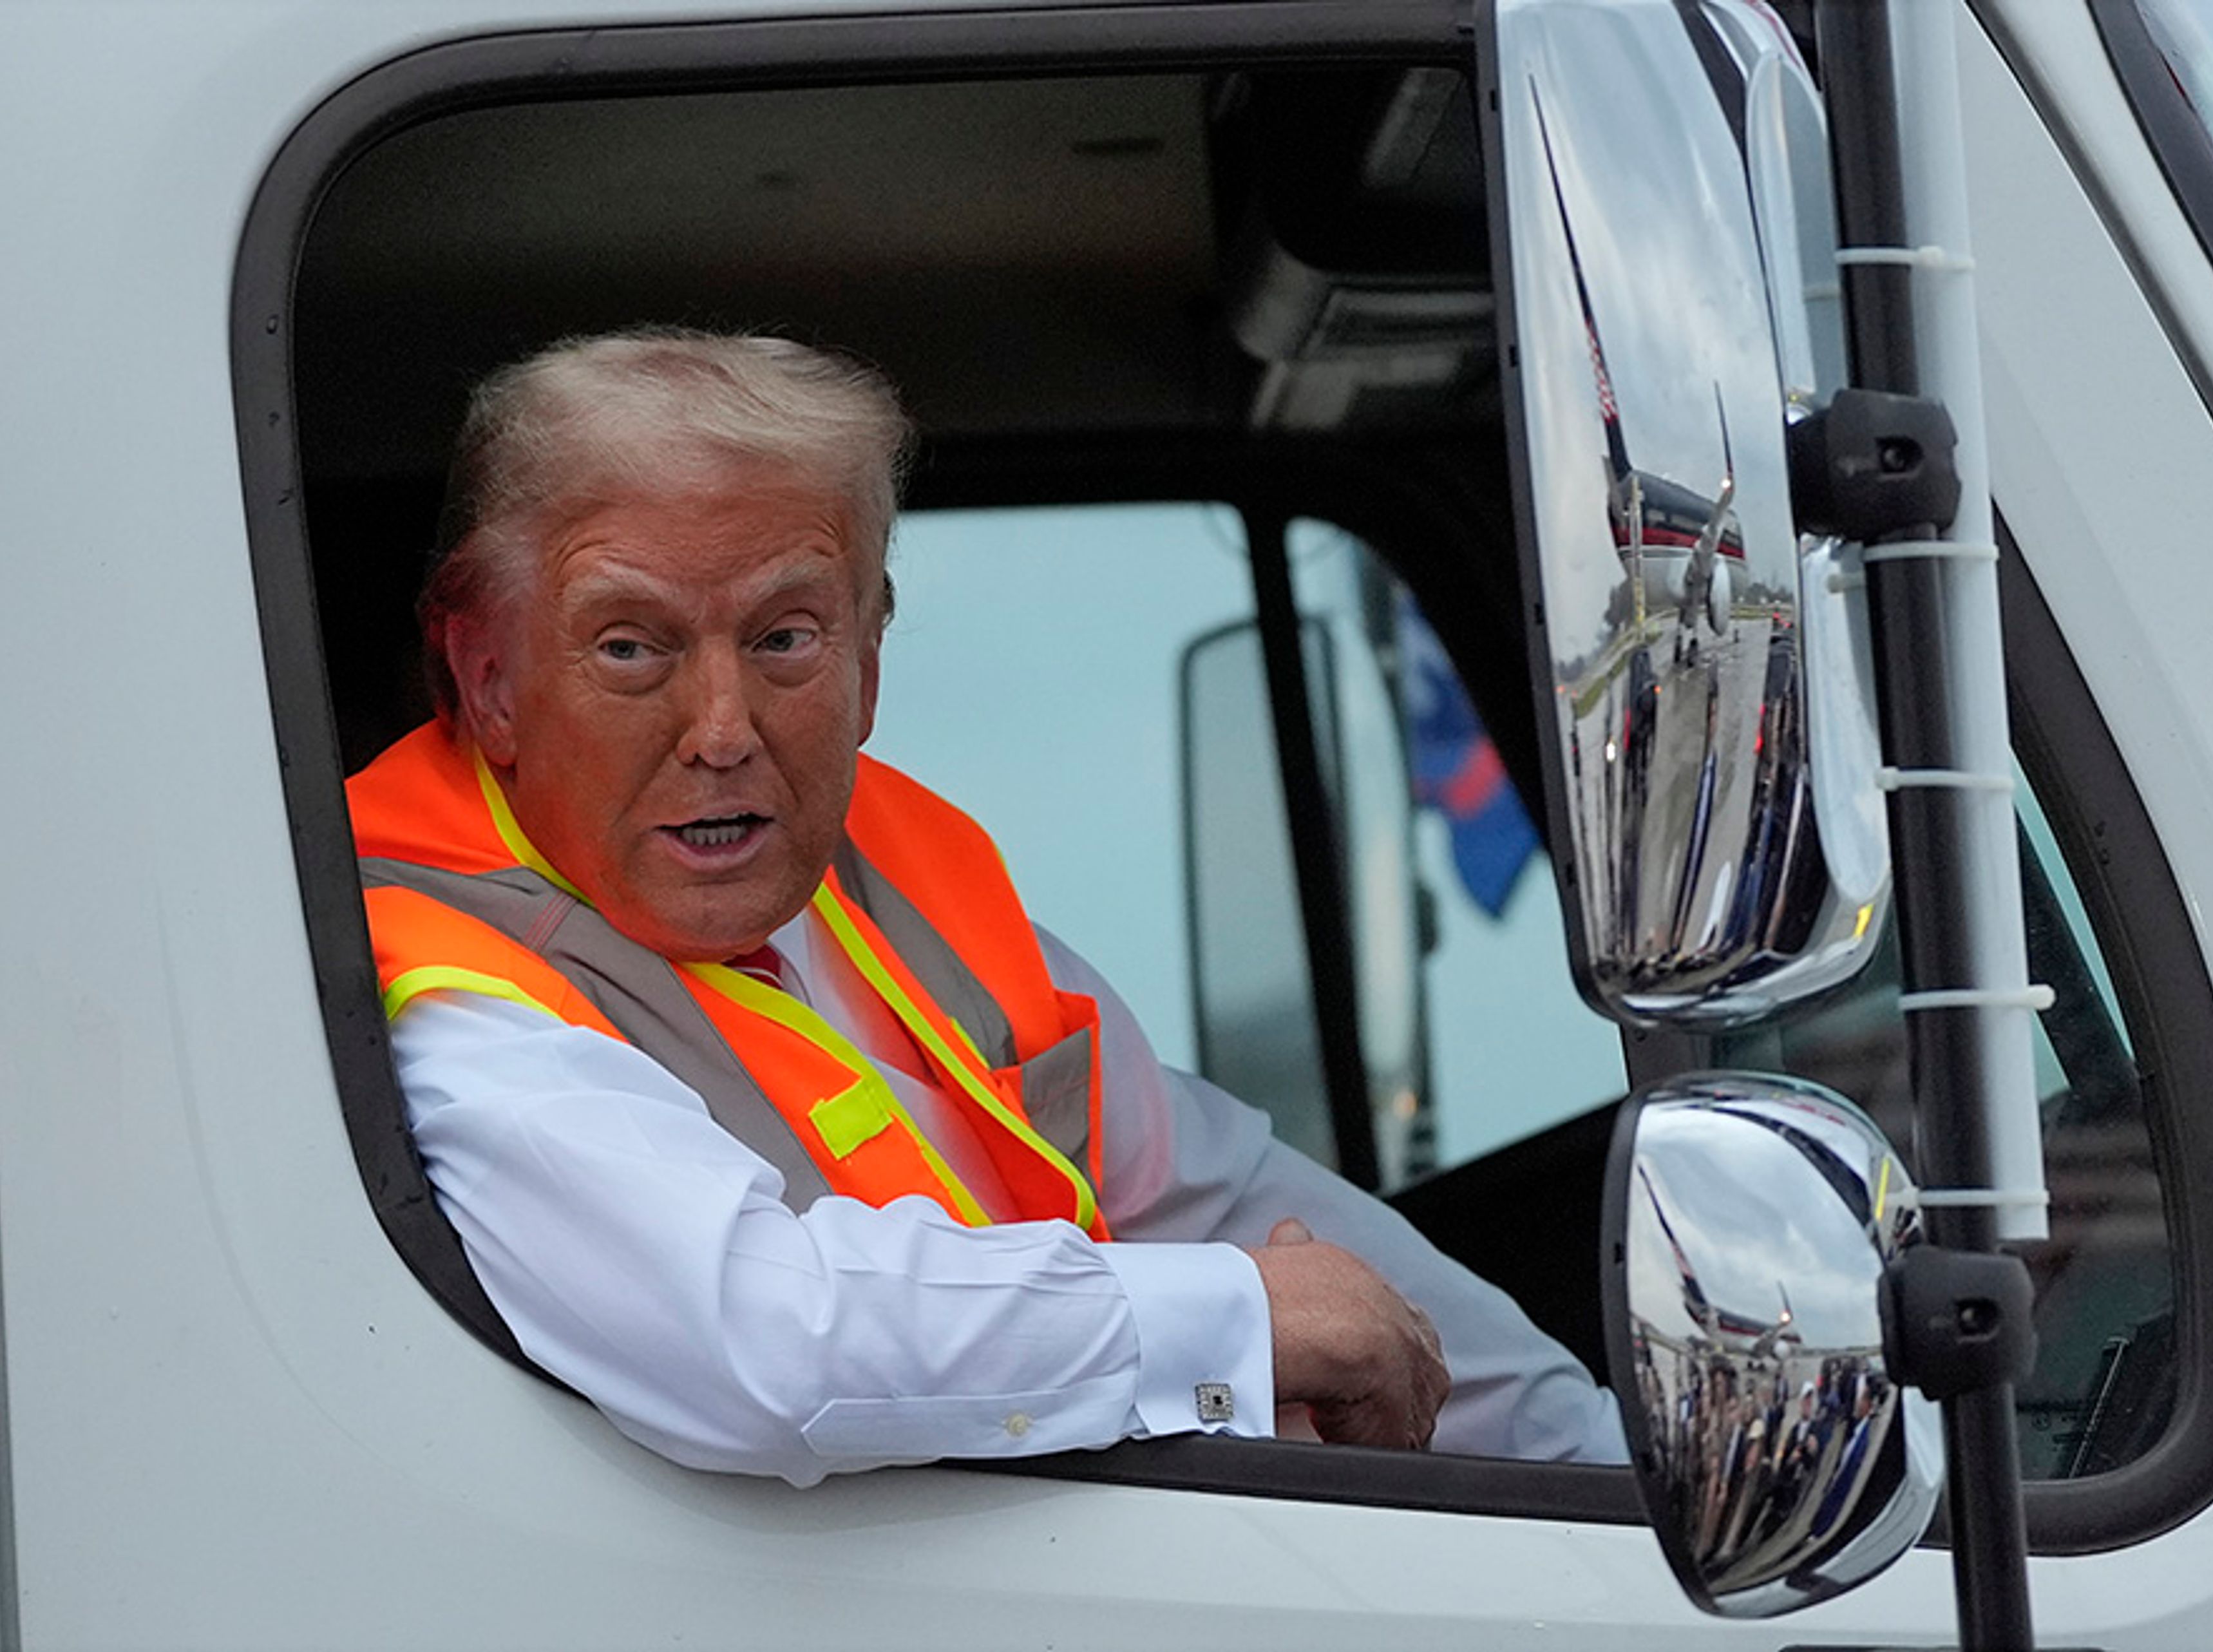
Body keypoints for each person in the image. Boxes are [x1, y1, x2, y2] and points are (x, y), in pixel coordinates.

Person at [349, 328, 1624, 1487]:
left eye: (787, 635)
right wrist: (1235, 1317)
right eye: (632, 645)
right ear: (491, 681)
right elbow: (767, 1345)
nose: (723, 729)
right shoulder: (437, 985)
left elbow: (1227, 1195)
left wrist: (1606, 1480)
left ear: (869, 661)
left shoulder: (903, 889)